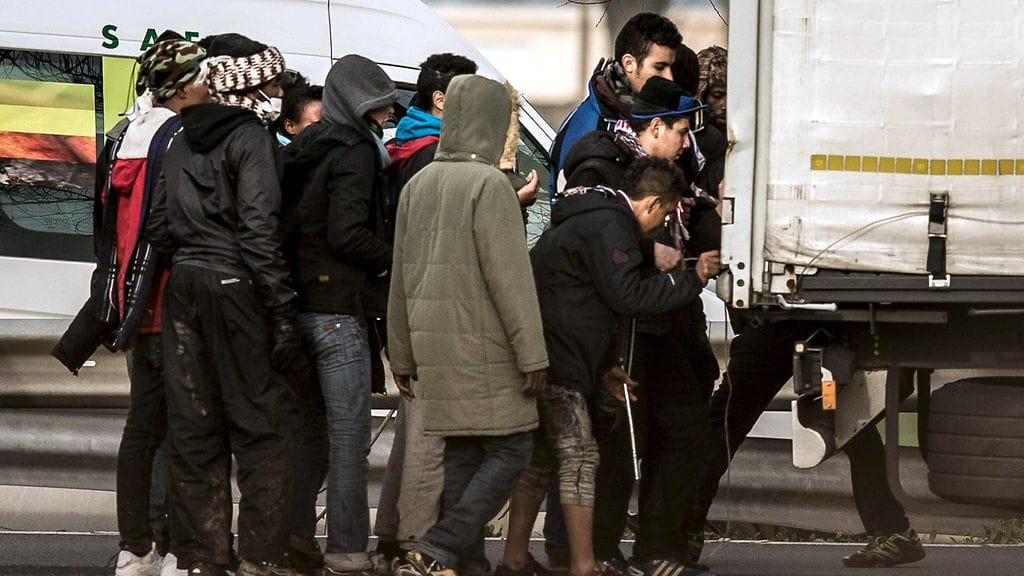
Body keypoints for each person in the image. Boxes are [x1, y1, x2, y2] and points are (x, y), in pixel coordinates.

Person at [499, 156, 720, 576]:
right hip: (559, 358)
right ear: (653, 204)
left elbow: (584, 297)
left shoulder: (593, 218)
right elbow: (627, 297)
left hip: (551, 351)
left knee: (543, 459)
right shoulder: (612, 227)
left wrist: (603, 368)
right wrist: (693, 280)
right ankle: (584, 564)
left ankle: (514, 559)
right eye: (667, 213)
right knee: (581, 456)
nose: (662, 225)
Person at [145, 32, 303, 576]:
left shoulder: (180, 138)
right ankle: (258, 560)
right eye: (274, 82)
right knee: (263, 432)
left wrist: (193, 256)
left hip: (185, 288)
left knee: (195, 433)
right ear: (251, 85)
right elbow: (259, 231)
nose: (280, 91)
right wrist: (282, 311)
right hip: (238, 287)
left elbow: (158, 226)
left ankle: (202, 560)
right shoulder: (250, 139)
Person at [53, 36, 210, 576]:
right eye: (200, 75)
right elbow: (180, 221)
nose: (207, 83)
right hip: (173, 302)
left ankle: (136, 546)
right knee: (185, 432)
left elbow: (107, 228)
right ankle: (172, 549)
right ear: (184, 84)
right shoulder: (183, 138)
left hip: (130, 301)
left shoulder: (123, 134)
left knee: (143, 427)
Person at [388, 74, 549, 576]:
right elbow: (512, 282)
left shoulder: (418, 184)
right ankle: (439, 546)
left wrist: (402, 356)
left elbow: (401, 277)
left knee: (460, 454)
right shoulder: (489, 186)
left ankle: (470, 563)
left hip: (433, 353)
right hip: (487, 352)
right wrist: (533, 356)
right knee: (513, 448)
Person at [560, 77, 716, 576]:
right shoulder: (599, 161)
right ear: (654, 128)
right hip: (628, 322)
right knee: (620, 438)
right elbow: (590, 231)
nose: (687, 143)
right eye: (681, 132)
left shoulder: (675, 168)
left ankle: (657, 548)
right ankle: (598, 550)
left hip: (667, 317)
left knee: (687, 430)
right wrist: (655, 253)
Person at [280, 53, 397, 576]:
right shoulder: (355, 151)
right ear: (359, 106)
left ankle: (293, 540)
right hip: (336, 313)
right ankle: (349, 549)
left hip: (297, 309)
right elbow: (346, 233)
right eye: (379, 111)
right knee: (349, 438)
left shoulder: (305, 146)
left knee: (307, 434)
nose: (385, 121)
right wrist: (397, 256)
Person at [372, 52, 479, 563]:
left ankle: (394, 532)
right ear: (441, 100)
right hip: (427, 306)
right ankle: (416, 546)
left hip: (404, 302)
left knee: (415, 427)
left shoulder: (403, 145)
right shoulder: (431, 155)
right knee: (430, 434)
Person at [549, 12, 682, 195]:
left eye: (671, 67)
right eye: (659, 67)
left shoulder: (638, 112)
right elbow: (580, 214)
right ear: (629, 64)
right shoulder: (592, 128)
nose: (669, 78)